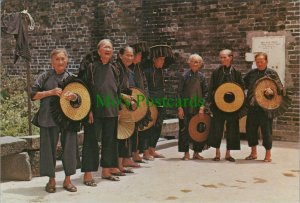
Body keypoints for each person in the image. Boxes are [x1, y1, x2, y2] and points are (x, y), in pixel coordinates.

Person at [31, 48, 78, 193]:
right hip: (47, 118)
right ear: (52, 61)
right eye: (57, 59)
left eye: (63, 59)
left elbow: (81, 98)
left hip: (68, 119)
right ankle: (51, 180)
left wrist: (75, 97)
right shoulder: (44, 77)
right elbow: (32, 95)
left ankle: (68, 180)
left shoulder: (72, 77)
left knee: (70, 149)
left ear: (67, 60)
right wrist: (50, 92)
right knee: (48, 150)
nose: (60, 62)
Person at [79, 39, 121, 183]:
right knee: (91, 142)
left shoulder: (115, 68)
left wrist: (118, 109)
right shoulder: (91, 67)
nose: (108, 49)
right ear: (99, 51)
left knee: (110, 142)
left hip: (112, 111)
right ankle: (88, 175)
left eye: (110, 47)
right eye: (105, 47)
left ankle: (106, 171)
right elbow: (83, 89)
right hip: (94, 112)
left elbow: (117, 90)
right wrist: (88, 110)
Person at [243, 52, 285, 162]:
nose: (259, 63)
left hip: (266, 109)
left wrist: (273, 90)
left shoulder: (272, 73)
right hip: (253, 107)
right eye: (257, 61)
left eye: (261, 61)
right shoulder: (252, 73)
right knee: (250, 130)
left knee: (266, 131)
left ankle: (268, 155)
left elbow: (281, 89)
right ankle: (253, 153)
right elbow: (242, 84)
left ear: (266, 61)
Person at [207, 49, 245, 162]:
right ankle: (217, 153)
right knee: (217, 128)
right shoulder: (216, 72)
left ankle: (228, 153)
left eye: (224, 57)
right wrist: (215, 97)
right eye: (221, 57)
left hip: (233, 106)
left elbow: (242, 88)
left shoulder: (237, 72)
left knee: (232, 129)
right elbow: (211, 88)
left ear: (231, 57)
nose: (222, 59)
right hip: (218, 104)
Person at [143, 45, 174, 159]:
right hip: (151, 101)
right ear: (154, 59)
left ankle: (152, 149)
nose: (163, 61)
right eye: (160, 59)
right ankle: (145, 152)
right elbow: (146, 87)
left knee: (158, 125)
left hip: (161, 100)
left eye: (164, 59)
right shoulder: (147, 71)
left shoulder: (160, 71)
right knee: (149, 126)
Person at [177, 54, 209, 160]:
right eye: (193, 61)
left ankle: (196, 152)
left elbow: (206, 93)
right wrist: (180, 108)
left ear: (200, 64)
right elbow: (179, 93)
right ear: (189, 62)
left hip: (197, 108)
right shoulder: (184, 76)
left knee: (198, 129)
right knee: (184, 130)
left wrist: (202, 106)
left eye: (197, 62)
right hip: (185, 107)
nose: (195, 64)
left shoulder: (202, 77)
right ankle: (186, 153)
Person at [114, 46, 140, 172]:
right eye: (127, 55)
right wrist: (119, 108)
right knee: (119, 135)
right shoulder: (116, 68)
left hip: (125, 104)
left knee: (125, 134)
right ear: (120, 55)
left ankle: (123, 162)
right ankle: (117, 164)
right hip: (117, 104)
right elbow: (115, 90)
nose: (130, 58)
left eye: (131, 56)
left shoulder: (126, 70)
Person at [129, 42, 151, 163]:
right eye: (139, 55)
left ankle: (137, 153)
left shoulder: (138, 68)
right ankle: (133, 154)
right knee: (133, 130)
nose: (140, 57)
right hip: (133, 102)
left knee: (138, 130)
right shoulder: (130, 68)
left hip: (141, 101)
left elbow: (144, 84)